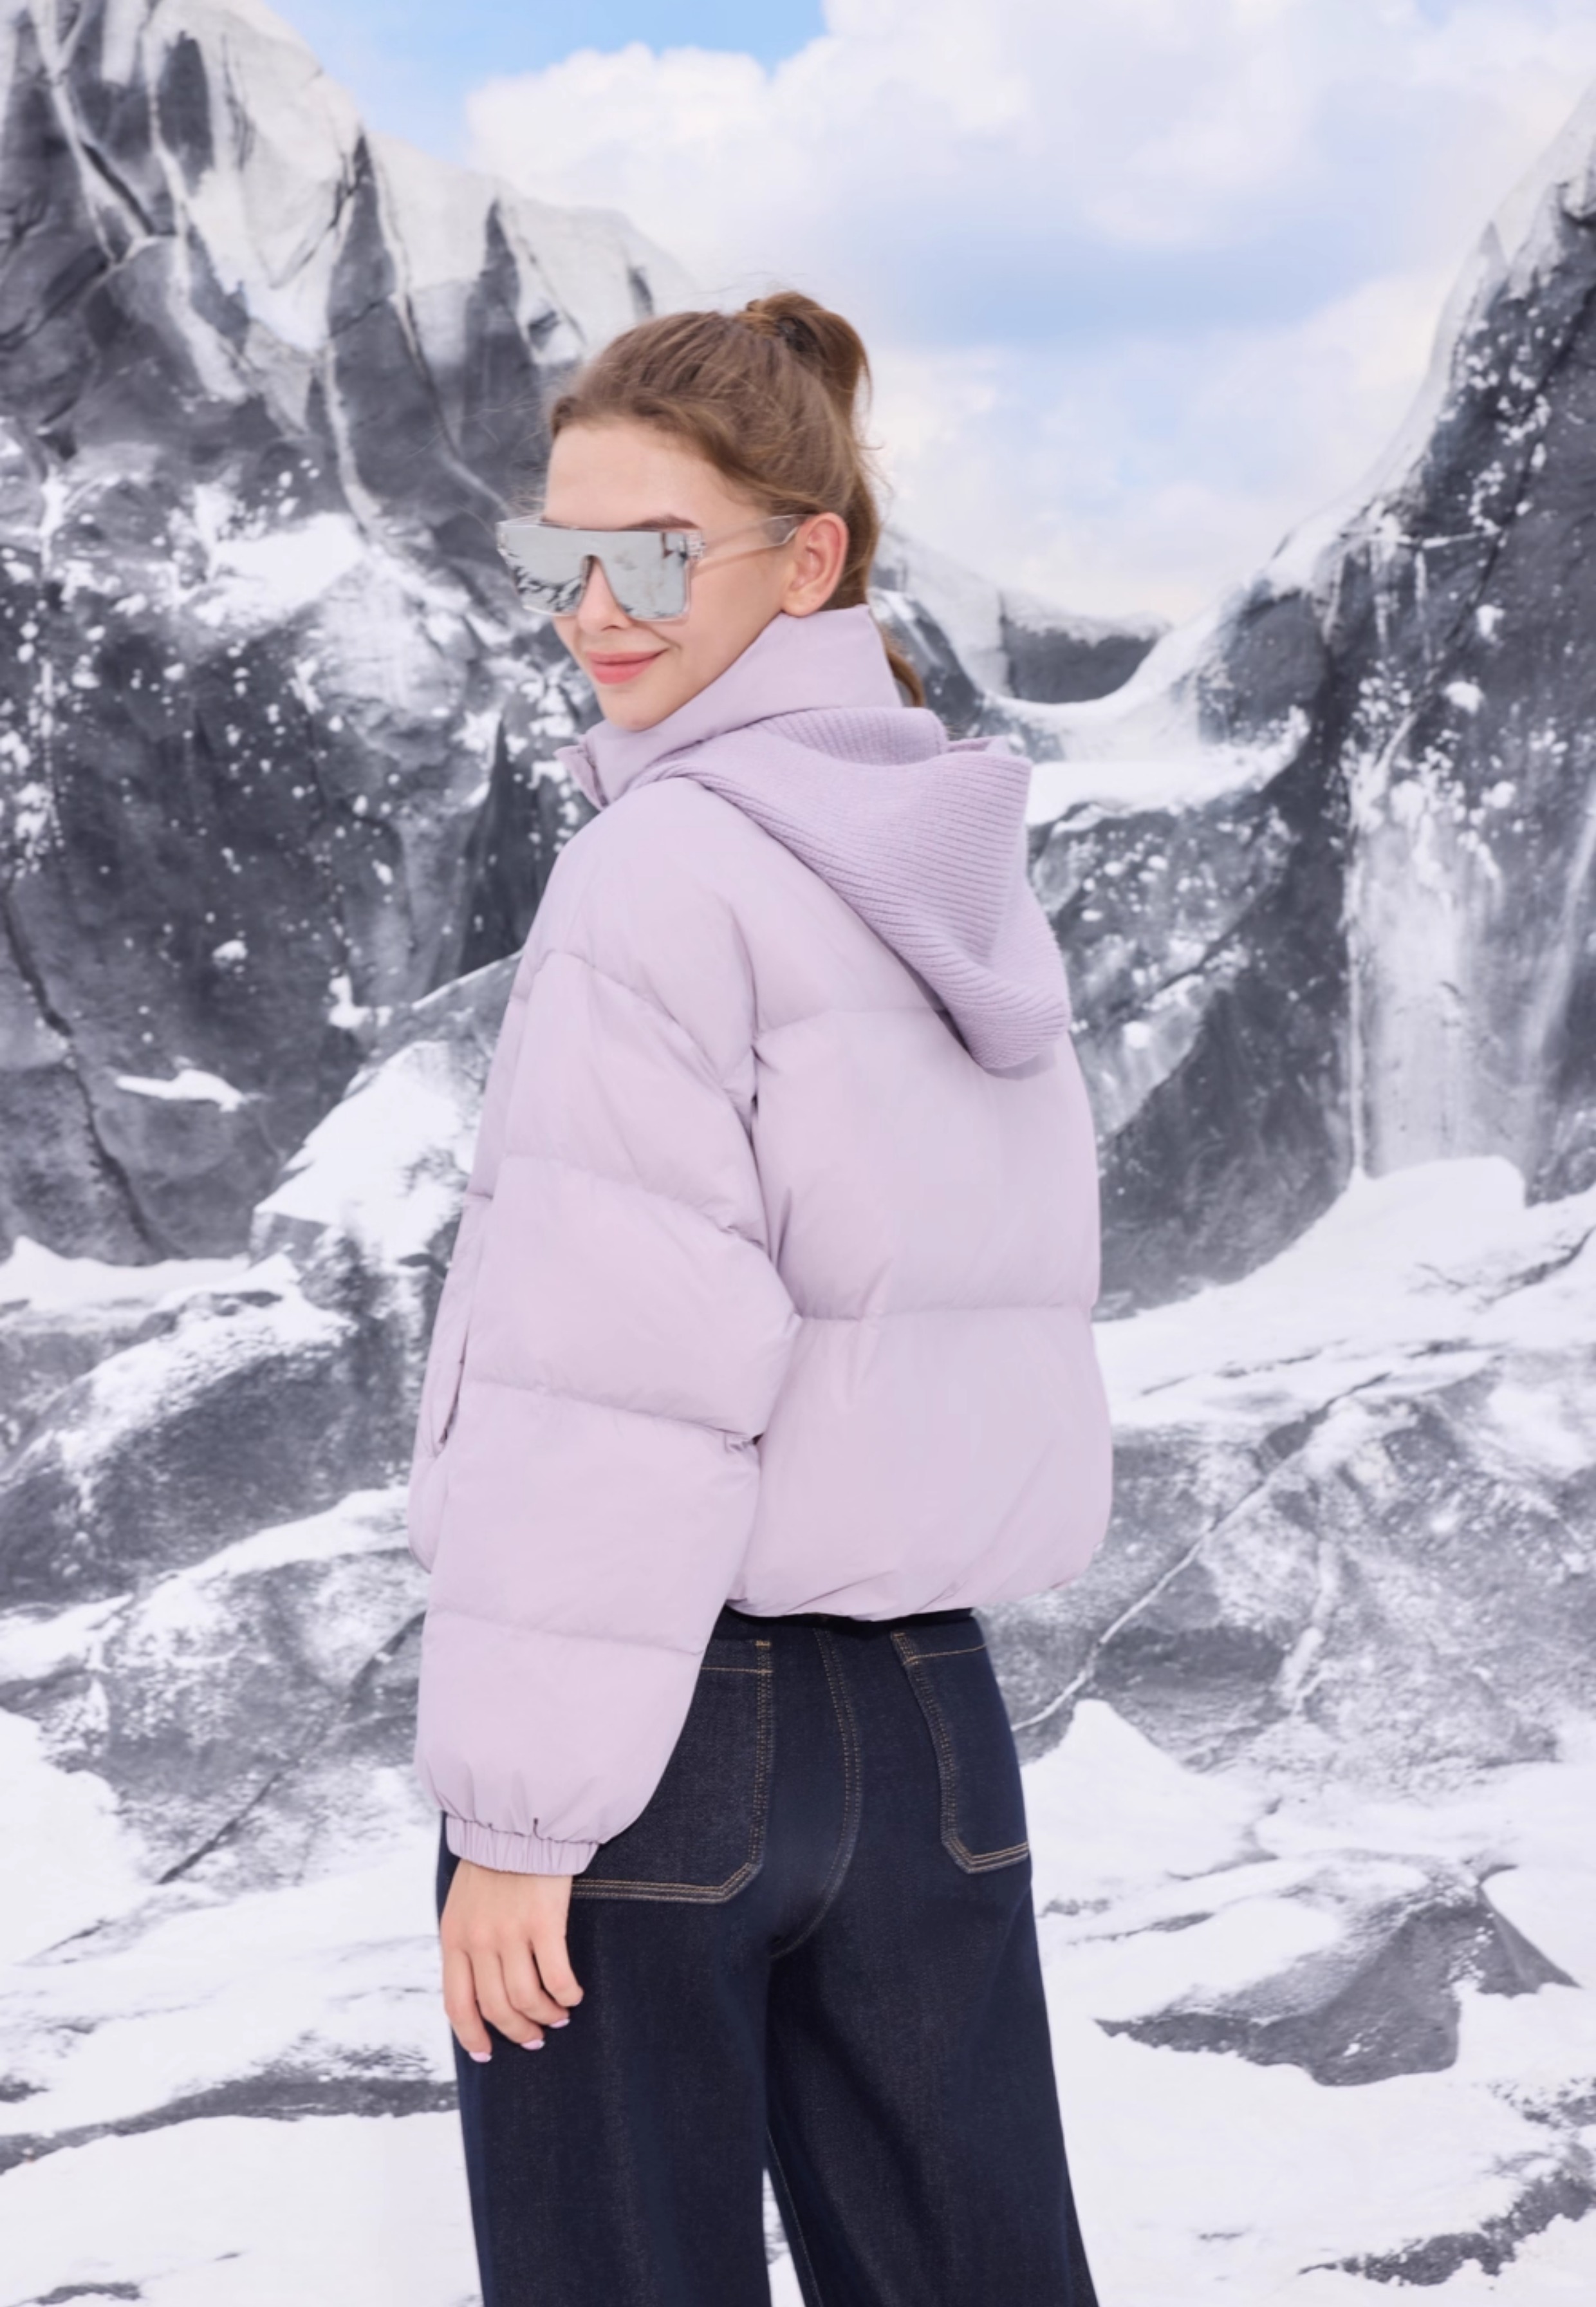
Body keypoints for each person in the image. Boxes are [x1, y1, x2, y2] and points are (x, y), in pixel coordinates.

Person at [407, 290, 1113, 2307]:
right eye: (558, 556)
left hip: (662, 1743)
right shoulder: (955, 878)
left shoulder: (662, 871)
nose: (593, 612)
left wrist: (522, 1818)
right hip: (933, 1722)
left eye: (653, 557)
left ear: (809, 562)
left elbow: (612, 1372)